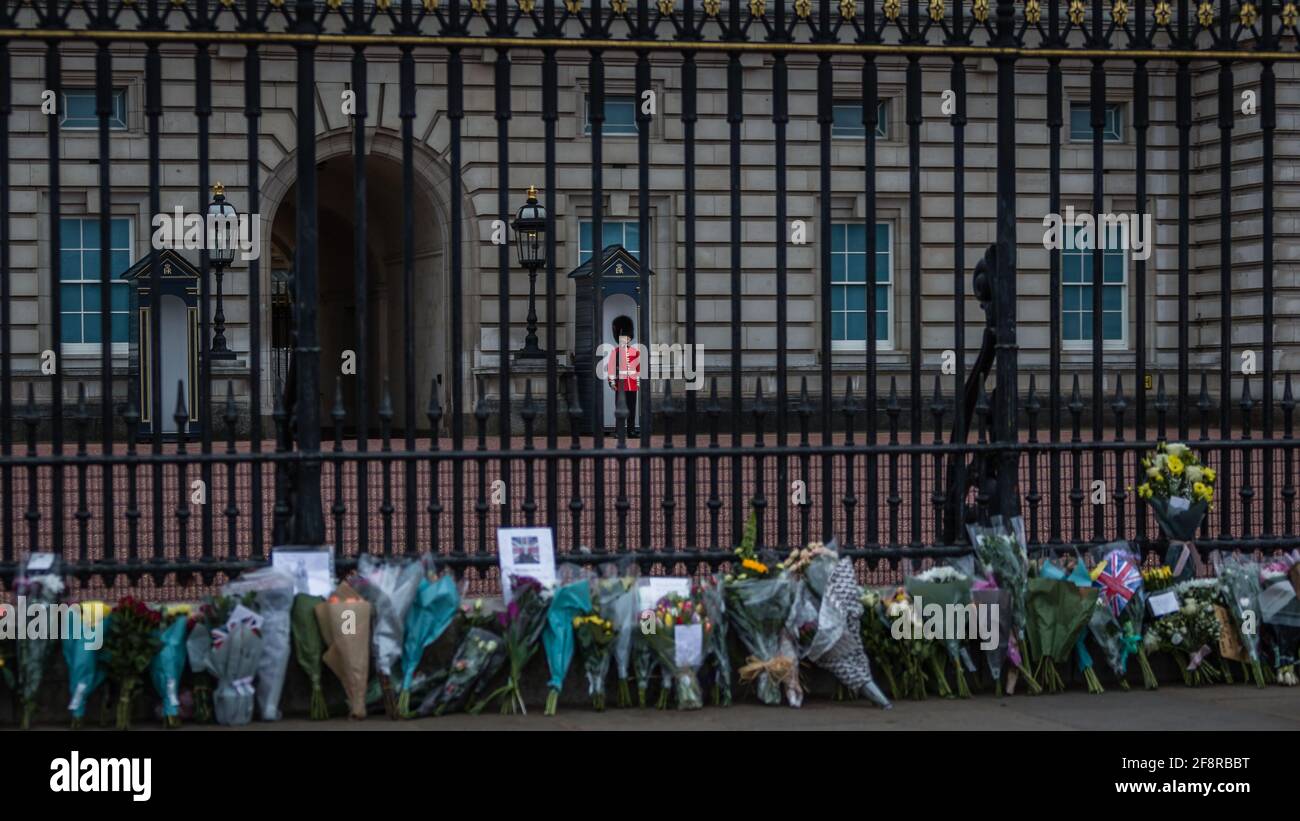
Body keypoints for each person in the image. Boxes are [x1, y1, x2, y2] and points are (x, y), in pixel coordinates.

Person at [608, 315, 640, 436]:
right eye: (623, 337)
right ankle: (619, 431)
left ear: (629, 338)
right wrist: (611, 382)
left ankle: (631, 430)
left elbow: (638, 368)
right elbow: (611, 368)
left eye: (626, 337)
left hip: (631, 384)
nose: (625, 339)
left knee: (632, 409)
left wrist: (637, 382)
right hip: (620, 384)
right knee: (620, 408)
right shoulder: (615, 352)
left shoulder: (635, 352)